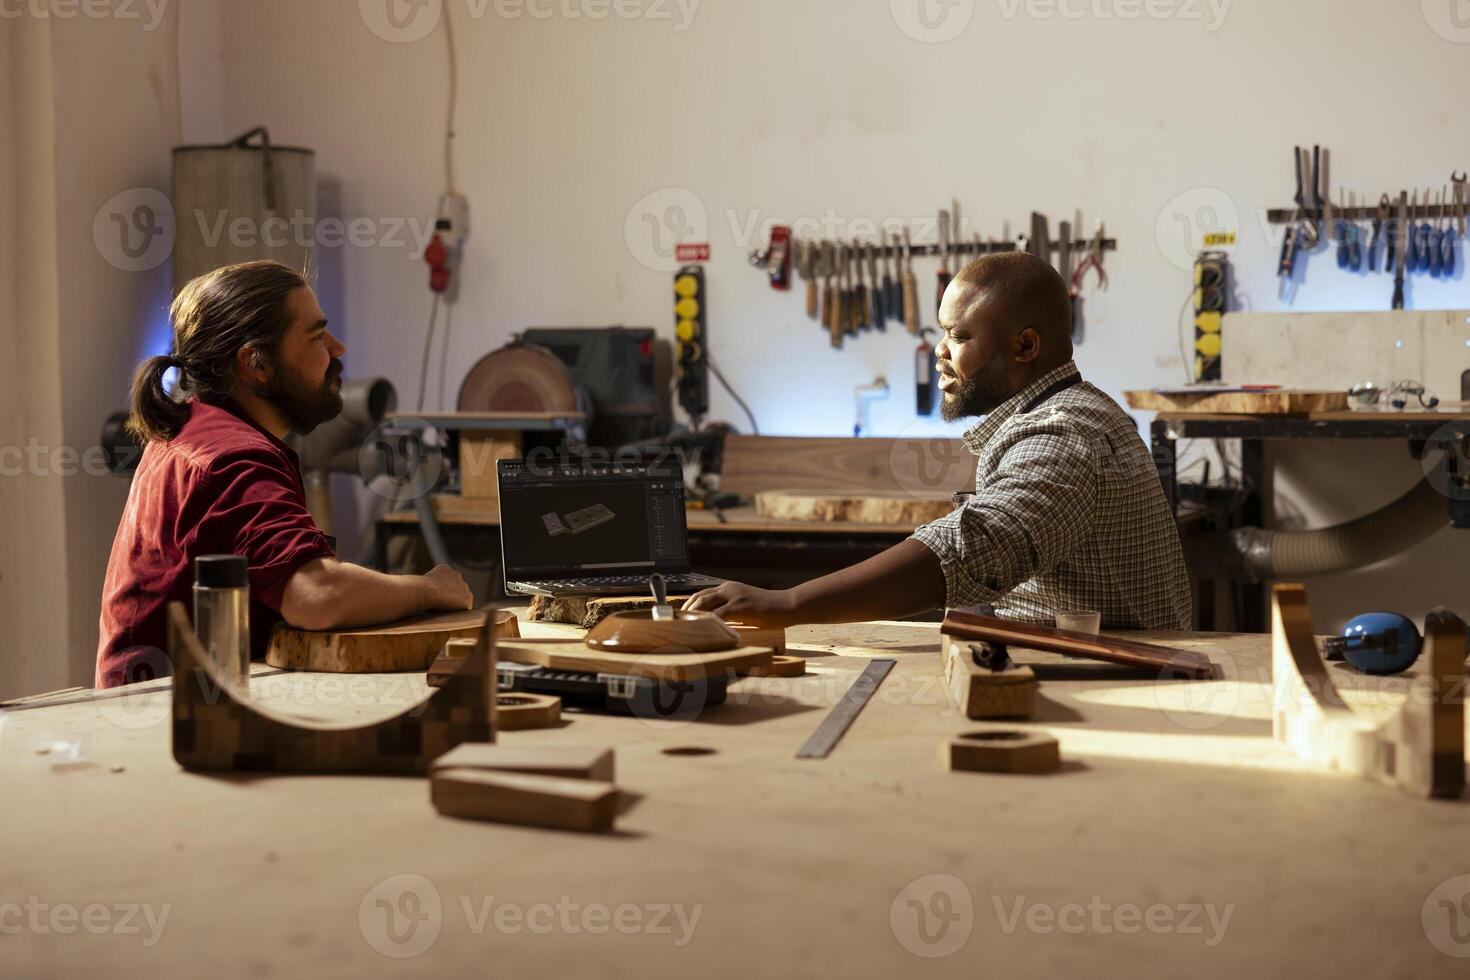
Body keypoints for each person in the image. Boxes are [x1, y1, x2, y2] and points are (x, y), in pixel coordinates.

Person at [684, 252, 1191, 631]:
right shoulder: (1075, 410)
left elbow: (978, 547)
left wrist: (788, 604)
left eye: (961, 336)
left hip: (1104, 683)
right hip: (1077, 668)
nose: (940, 352)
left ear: (1026, 345)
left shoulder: (1063, 432)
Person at [96, 261, 472, 688]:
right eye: (316, 335)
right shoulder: (233, 456)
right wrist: (430, 589)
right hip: (178, 721)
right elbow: (317, 596)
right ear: (257, 362)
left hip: (164, 707)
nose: (337, 348)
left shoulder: (194, 431)